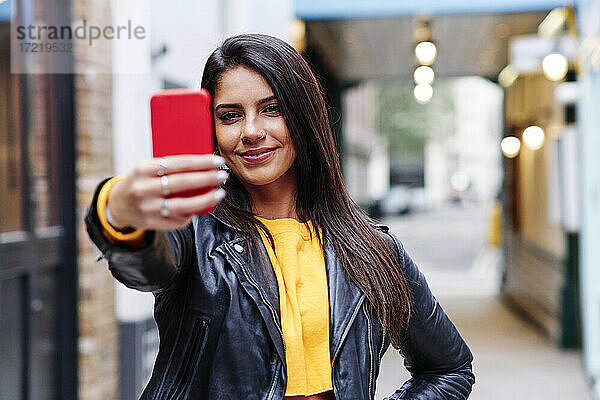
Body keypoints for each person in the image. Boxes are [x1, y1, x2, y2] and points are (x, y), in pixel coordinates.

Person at [85, 33, 474, 399]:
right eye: (230, 115)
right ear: (213, 128)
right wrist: (115, 210)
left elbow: (450, 368)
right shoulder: (192, 234)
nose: (251, 131)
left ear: (303, 117)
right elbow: (145, 264)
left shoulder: (374, 251)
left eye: (271, 109)